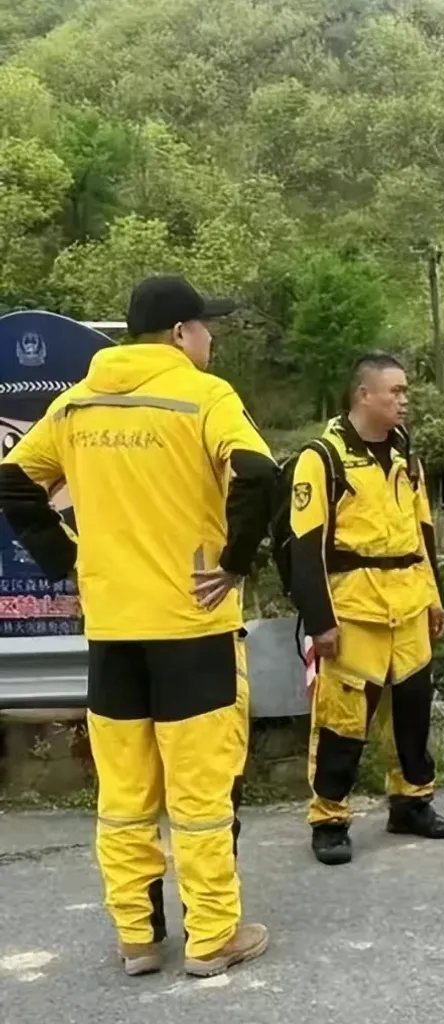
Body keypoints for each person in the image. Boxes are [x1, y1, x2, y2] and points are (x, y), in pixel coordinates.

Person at [0, 275, 279, 978]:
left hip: (113, 630)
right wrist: (236, 563)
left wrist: (66, 558)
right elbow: (259, 474)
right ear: (181, 334)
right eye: (206, 327)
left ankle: (138, 939)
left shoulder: (76, 405)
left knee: (124, 794)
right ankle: (212, 937)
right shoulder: (204, 396)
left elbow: (10, 480)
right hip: (192, 627)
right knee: (199, 792)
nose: (210, 338)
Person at [291, 352, 444, 867]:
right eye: (396, 391)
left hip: (407, 604)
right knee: (343, 722)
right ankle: (330, 818)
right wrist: (320, 622)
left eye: (406, 391)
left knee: (412, 712)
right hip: (354, 610)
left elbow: (422, 533)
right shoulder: (322, 458)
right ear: (364, 394)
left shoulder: (408, 458)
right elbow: (305, 546)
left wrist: (433, 597)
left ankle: (411, 801)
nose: (405, 399)